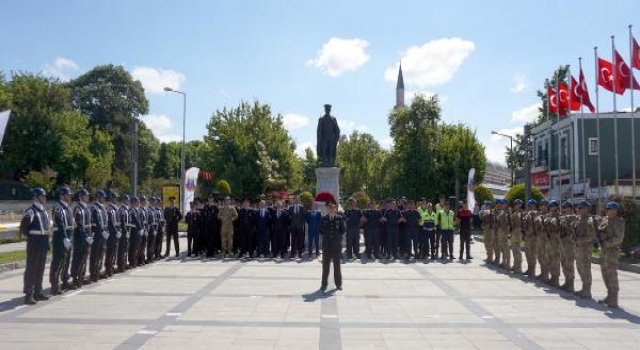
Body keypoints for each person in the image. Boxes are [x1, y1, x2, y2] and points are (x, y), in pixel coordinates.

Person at [20, 188, 51, 305]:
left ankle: (38, 292)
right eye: (42, 196)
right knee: (31, 269)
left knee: (41, 268)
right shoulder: (31, 211)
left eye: (44, 196)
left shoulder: (44, 211)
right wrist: (32, 237)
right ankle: (29, 294)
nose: (44, 198)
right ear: (35, 197)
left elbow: (47, 229)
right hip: (34, 242)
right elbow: (23, 228)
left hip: (43, 241)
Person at [597, 201, 625, 308]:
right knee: (605, 273)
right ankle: (609, 295)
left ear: (615, 210)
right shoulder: (605, 220)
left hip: (612, 251)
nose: (608, 210)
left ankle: (614, 299)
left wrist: (607, 243)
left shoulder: (618, 222)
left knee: (612, 274)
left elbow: (619, 237)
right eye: (607, 208)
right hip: (604, 251)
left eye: (610, 209)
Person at [50, 186, 73, 295]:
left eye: (69, 195)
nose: (69, 196)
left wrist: (70, 238)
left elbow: (71, 225)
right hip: (60, 239)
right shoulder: (58, 208)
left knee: (66, 261)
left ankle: (65, 281)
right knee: (57, 262)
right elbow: (60, 224)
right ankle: (54, 285)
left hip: (68, 238)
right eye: (67, 195)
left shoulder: (68, 208)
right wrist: (65, 238)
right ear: (62, 196)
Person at [319, 202, 345, 291]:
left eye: (333, 208)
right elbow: (321, 230)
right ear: (327, 209)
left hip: (336, 246)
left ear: (335, 209)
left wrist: (336, 238)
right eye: (329, 208)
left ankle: (338, 284)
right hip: (326, 246)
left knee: (337, 266)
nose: (331, 210)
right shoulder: (323, 218)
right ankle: (323, 284)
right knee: (325, 266)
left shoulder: (339, 218)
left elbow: (343, 230)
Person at [574, 201, 596, 299]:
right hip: (578, 248)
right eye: (578, 208)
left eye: (581, 208)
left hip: (586, 248)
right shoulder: (578, 219)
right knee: (579, 267)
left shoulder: (590, 220)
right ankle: (584, 287)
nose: (579, 209)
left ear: (587, 208)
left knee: (586, 268)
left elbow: (590, 237)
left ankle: (587, 290)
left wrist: (579, 240)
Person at [71, 189, 92, 288]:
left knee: (84, 257)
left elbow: (89, 224)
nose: (87, 197)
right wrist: (86, 236)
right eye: (85, 196)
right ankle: (75, 278)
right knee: (77, 258)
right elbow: (79, 224)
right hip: (80, 237)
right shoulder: (78, 209)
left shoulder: (87, 209)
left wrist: (90, 235)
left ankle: (81, 276)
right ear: (80, 197)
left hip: (86, 236)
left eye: (87, 196)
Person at [89, 190, 108, 282]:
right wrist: (102, 231)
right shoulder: (94, 208)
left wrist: (106, 231)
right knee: (95, 254)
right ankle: (93, 272)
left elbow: (105, 222)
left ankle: (98, 270)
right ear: (98, 197)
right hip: (97, 233)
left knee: (101, 253)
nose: (104, 199)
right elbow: (96, 221)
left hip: (103, 233)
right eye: (102, 197)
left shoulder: (103, 208)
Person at [560, 201, 577, 292]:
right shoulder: (562, 218)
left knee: (569, 264)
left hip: (570, 244)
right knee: (563, 263)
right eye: (563, 207)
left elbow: (573, 230)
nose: (564, 209)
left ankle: (571, 284)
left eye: (566, 207)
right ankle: (567, 281)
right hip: (563, 243)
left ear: (571, 208)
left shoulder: (574, 218)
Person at [545, 200, 562, 287]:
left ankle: (556, 279)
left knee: (555, 260)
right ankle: (552, 277)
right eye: (550, 206)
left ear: (557, 207)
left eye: (553, 206)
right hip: (549, 242)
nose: (552, 208)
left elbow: (561, 230)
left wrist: (554, 235)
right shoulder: (548, 217)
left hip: (556, 242)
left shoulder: (560, 217)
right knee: (549, 259)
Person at [104, 191, 120, 277]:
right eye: (115, 198)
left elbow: (119, 222)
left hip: (116, 233)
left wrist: (119, 230)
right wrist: (116, 231)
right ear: (112, 198)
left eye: (117, 198)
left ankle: (112, 267)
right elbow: (110, 222)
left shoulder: (116, 208)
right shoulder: (109, 208)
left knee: (114, 251)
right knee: (109, 251)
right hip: (111, 233)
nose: (116, 199)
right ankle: (108, 269)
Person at [534, 200, 549, 281]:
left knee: (545, 257)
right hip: (539, 238)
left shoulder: (549, 216)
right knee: (540, 256)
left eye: (543, 205)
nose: (541, 206)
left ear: (547, 206)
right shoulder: (538, 215)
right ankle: (542, 272)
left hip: (546, 240)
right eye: (541, 205)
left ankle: (546, 274)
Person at [522, 199, 538, 276]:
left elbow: (534, 226)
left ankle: (532, 270)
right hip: (527, 236)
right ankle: (529, 268)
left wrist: (530, 233)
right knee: (527, 253)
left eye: (532, 205)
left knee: (532, 254)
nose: (530, 206)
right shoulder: (527, 214)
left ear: (535, 206)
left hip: (533, 237)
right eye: (529, 205)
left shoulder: (536, 214)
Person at [117, 194, 131, 272]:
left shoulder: (127, 209)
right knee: (121, 249)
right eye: (127, 200)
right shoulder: (121, 209)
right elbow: (122, 222)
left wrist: (128, 231)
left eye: (128, 200)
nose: (128, 201)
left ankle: (124, 264)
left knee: (125, 248)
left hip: (127, 232)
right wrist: (125, 231)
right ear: (124, 200)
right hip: (123, 232)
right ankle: (120, 265)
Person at [510, 199, 524, 273]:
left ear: (521, 205)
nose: (516, 205)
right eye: (515, 204)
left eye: (518, 204)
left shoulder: (522, 213)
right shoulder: (514, 213)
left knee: (517, 250)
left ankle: (519, 267)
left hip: (518, 233)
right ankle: (515, 264)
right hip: (513, 233)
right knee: (514, 249)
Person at [128, 197, 143, 268]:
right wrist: (140, 228)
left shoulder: (137, 210)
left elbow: (140, 220)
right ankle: (132, 262)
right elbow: (135, 219)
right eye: (137, 201)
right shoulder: (132, 210)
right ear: (134, 202)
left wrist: (141, 228)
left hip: (137, 231)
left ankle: (135, 261)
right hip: (133, 231)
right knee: (133, 247)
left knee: (137, 247)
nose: (139, 203)